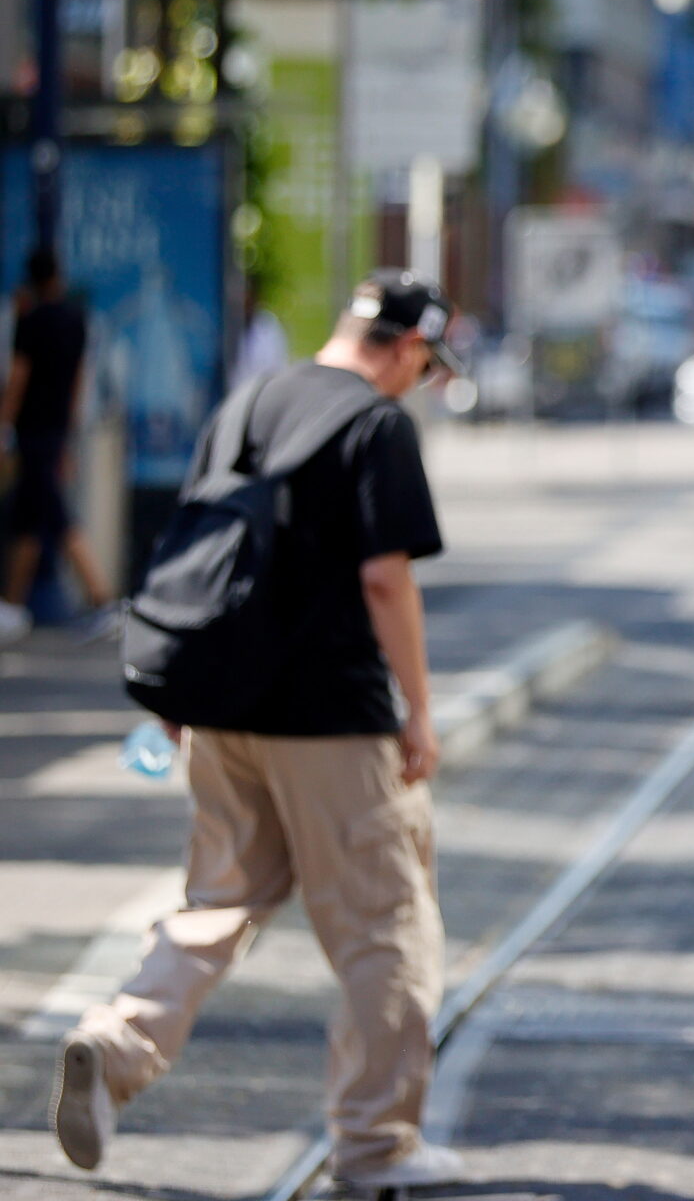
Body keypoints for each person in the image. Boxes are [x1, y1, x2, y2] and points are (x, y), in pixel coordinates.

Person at [51, 271, 466, 1190]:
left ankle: (115, 1046)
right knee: (385, 929)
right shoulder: (376, 424)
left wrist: (180, 692)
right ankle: (377, 1143)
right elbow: (385, 577)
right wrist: (419, 709)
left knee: (214, 905)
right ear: (407, 347)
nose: (423, 381)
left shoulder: (248, 401)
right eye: (428, 365)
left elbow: (193, 549)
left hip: (223, 708)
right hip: (331, 719)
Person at [0, 245, 117, 645]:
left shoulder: (29, 321)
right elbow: (77, 384)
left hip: (32, 434)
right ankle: (12, 606)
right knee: (28, 520)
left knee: (56, 516)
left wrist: (3, 427)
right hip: (56, 432)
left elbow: (18, 380)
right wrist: (68, 435)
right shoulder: (75, 320)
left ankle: (102, 598)